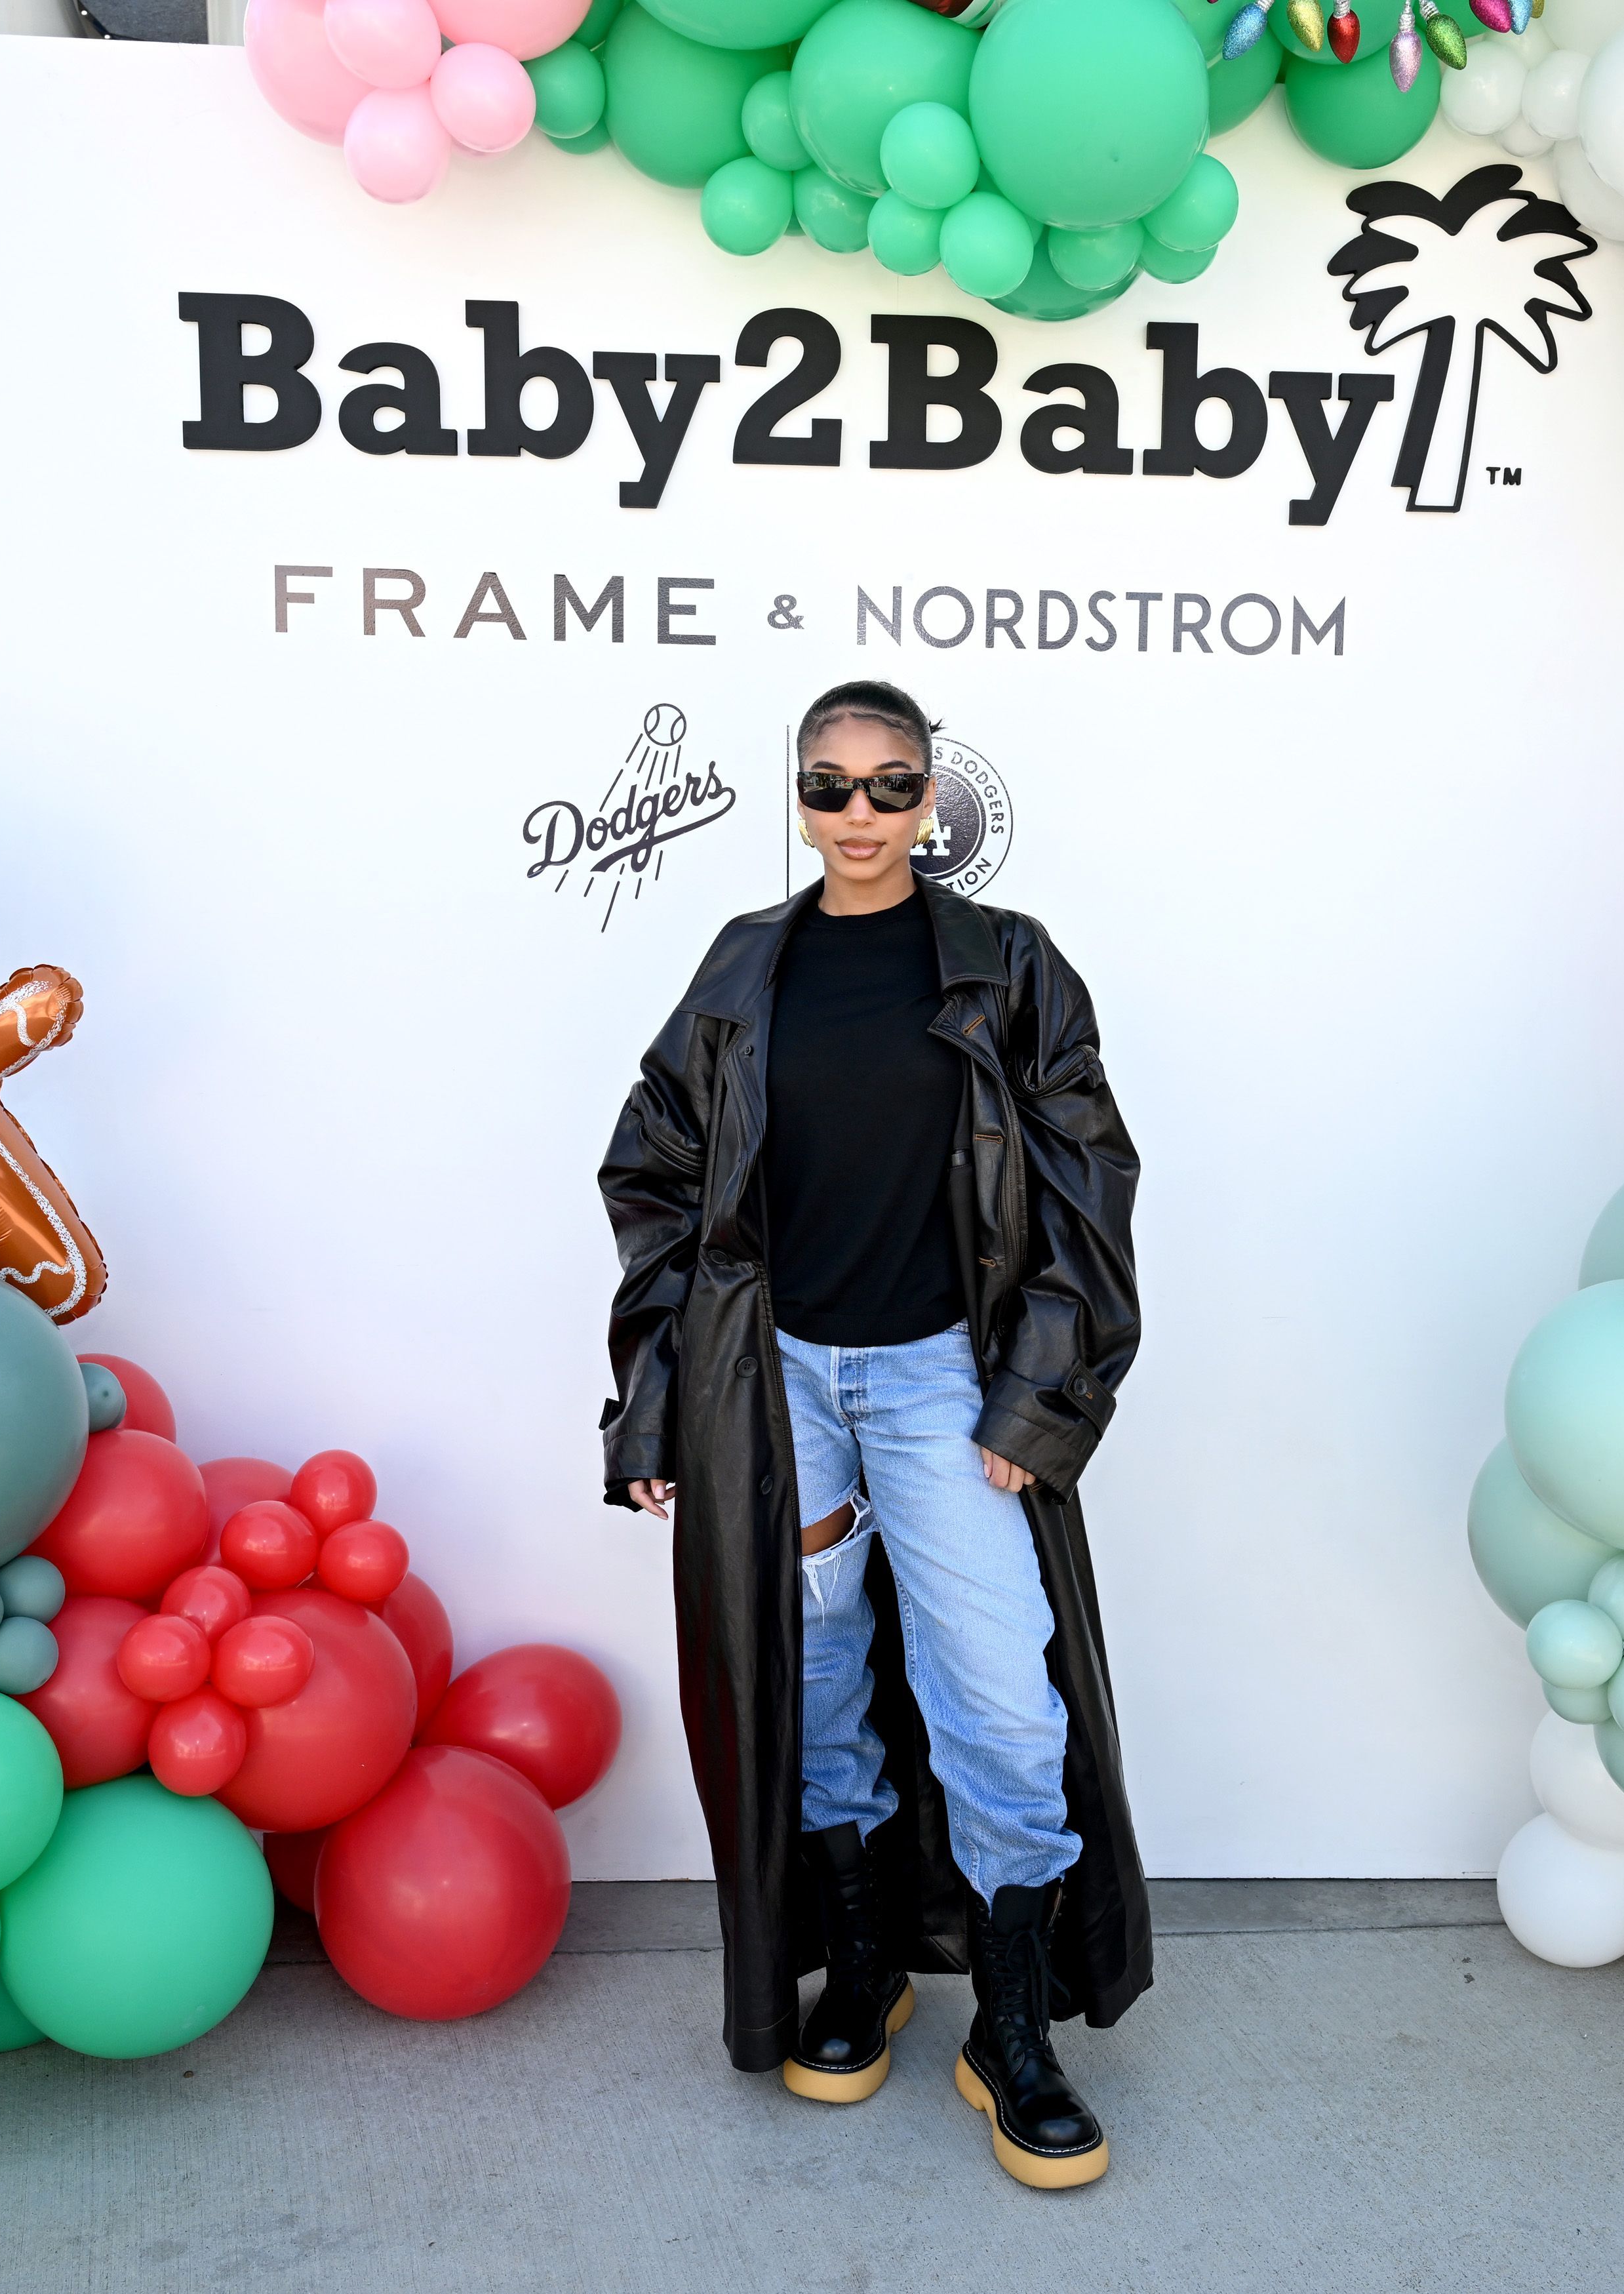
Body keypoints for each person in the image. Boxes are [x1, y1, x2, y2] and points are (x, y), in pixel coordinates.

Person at [597, 679, 1149, 2190]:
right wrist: (655, 1396)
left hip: (933, 1387)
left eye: (890, 787)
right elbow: (655, 1178)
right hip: (776, 1386)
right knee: (821, 1674)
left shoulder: (1008, 968)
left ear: (931, 800)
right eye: (828, 787)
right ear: (798, 795)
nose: (858, 816)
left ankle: (1012, 2026)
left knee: (1000, 1699)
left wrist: (1036, 1400)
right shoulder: (744, 967)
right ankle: (862, 1966)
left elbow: (1088, 1188)